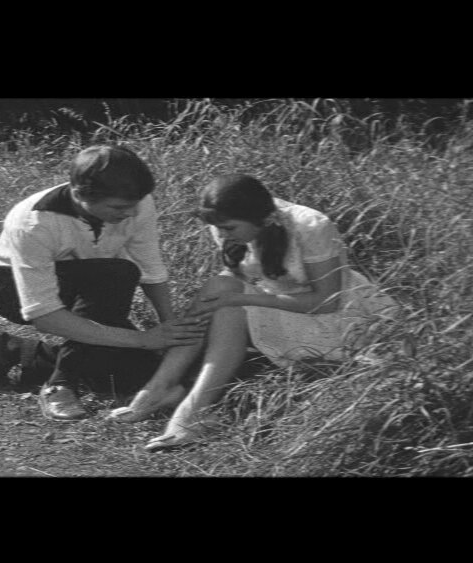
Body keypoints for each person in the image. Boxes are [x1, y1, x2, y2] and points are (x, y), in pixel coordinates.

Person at [107, 173, 398, 450]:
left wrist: (240, 299)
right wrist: (229, 296)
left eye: (229, 228)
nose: (222, 234)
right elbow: (237, 277)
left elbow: (326, 302)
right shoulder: (225, 222)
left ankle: (192, 411)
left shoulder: (310, 226)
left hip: (338, 320)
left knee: (231, 306)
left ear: (264, 219)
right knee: (218, 287)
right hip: (281, 305)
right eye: (218, 228)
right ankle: (161, 387)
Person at [0, 144, 208, 421]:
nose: (132, 213)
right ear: (79, 194)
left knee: (139, 370)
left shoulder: (136, 202)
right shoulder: (33, 223)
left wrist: (169, 330)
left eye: (135, 204)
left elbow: (150, 267)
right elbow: (45, 315)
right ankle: (61, 384)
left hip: (93, 288)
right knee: (117, 274)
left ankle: (14, 350)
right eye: (119, 207)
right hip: (13, 287)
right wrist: (144, 339)